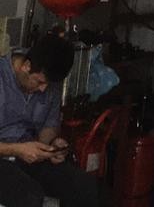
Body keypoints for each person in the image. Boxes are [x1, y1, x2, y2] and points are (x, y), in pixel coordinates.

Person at [0, 34, 102, 207]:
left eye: (49, 83)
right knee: (29, 196)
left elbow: (49, 127)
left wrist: (52, 147)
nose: (44, 89)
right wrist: (17, 149)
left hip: (28, 155)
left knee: (85, 187)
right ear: (26, 66)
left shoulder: (49, 82)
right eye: (39, 81)